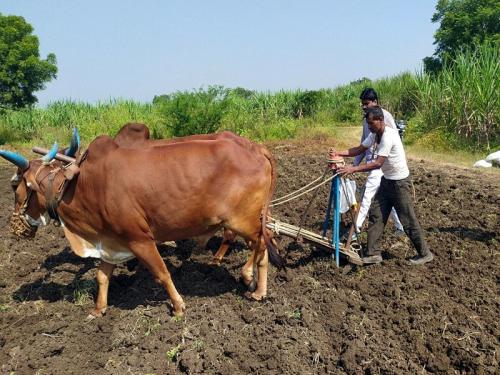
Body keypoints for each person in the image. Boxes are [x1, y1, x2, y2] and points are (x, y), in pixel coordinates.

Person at [329, 106, 433, 265]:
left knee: (407, 220)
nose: (370, 127)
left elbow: (377, 163)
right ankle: (373, 253)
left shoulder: (388, 137)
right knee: (376, 213)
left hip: (399, 183)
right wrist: (339, 153)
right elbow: (359, 149)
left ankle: (425, 253)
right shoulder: (375, 134)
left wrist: (353, 169)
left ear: (381, 120)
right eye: (368, 124)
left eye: (372, 124)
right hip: (387, 181)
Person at [353, 88, 404, 237]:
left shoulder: (385, 116)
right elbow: (363, 145)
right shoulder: (366, 120)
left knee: (367, 196)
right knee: (386, 196)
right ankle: (400, 226)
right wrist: (355, 164)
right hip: (372, 161)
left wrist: (385, 160)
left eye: (366, 103)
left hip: (382, 163)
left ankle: (355, 230)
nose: (364, 106)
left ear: (375, 102)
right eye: (362, 104)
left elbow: (393, 139)